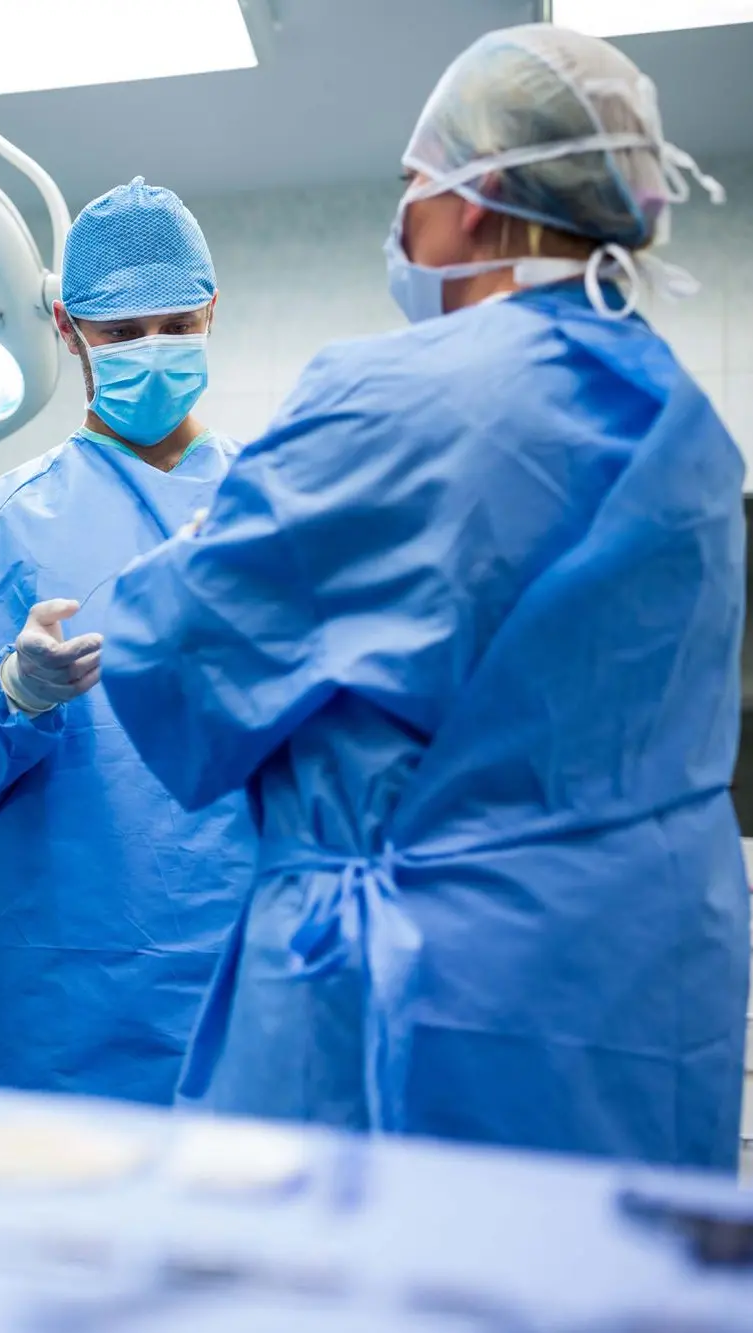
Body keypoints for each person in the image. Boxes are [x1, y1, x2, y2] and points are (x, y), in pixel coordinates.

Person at [101, 26, 747, 1169]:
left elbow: (176, 665)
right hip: (639, 980)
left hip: (419, 994)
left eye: (413, 184)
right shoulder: (690, 427)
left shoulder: (392, 394)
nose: (402, 219)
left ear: (480, 196)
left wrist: (200, 547)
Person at [0, 179, 256, 1103]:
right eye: (120, 335)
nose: (149, 352)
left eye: (173, 324)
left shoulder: (275, 519)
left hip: (241, 980)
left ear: (211, 310)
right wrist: (7, 695)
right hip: (50, 1005)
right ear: (67, 328)